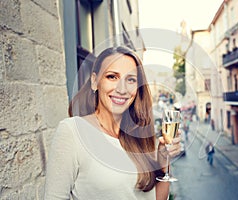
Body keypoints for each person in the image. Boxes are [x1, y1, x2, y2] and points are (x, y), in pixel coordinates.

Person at [44, 46, 182, 200]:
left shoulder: (140, 137)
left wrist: (163, 162)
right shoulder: (72, 131)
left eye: (130, 80)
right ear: (95, 82)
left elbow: (156, 198)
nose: (122, 89)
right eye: (112, 77)